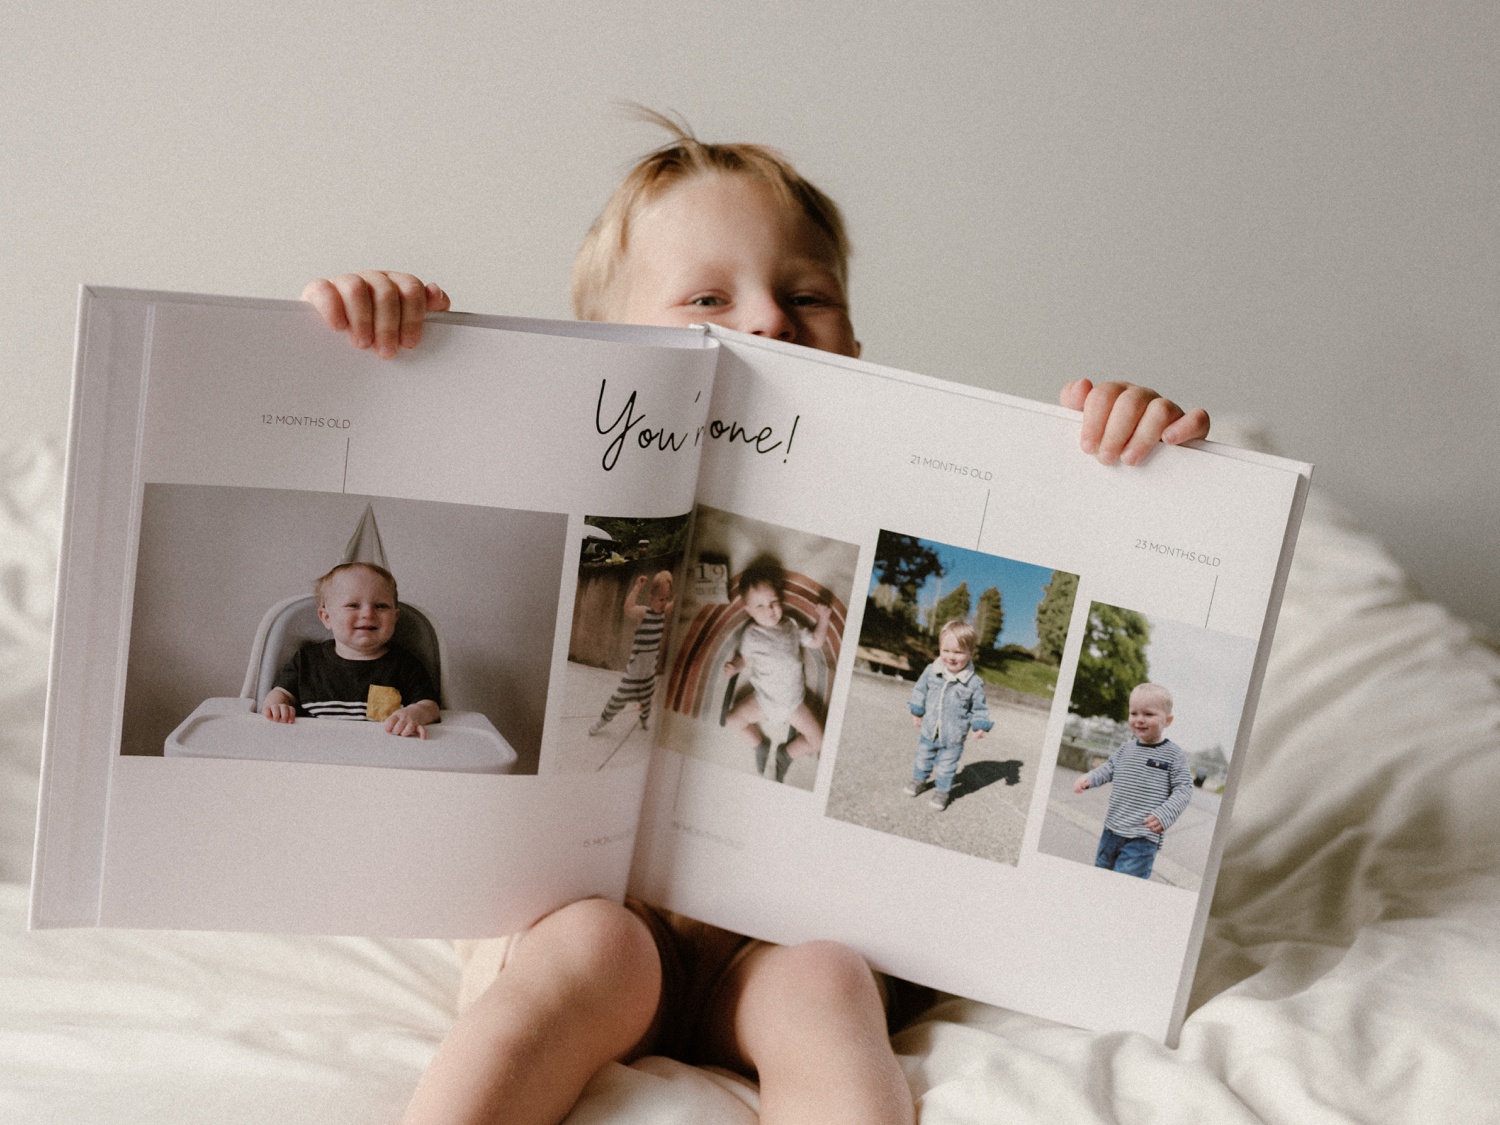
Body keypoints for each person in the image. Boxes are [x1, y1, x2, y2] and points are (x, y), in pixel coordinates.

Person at [305, 115, 1212, 1125]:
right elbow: (396, 437)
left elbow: (1087, 540)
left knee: (823, 980)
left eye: (807, 295)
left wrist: (1135, 464)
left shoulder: (911, 480)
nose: (771, 319)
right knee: (588, 949)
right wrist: (376, 338)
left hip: (789, 937)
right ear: (609, 350)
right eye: (709, 297)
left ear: (855, 347)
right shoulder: (545, 452)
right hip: (600, 910)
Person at [261, 561, 440, 739]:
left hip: (381, 751)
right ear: (327, 618)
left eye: (381, 606)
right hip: (314, 748)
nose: (368, 614)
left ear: (395, 617)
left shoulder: (404, 664)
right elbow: (280, 694)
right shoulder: (307, 660)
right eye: (353, 605)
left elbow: (430, 706)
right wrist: (276, 707)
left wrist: (414, 714)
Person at [722, 560, 831, 781]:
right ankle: (759, 744)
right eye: (760, 606)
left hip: (793, 703)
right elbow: (744, 658)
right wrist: (735, 666)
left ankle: (786, 754)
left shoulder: (791, 625)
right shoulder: (752, 634)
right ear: (749, 610)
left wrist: (824, 618)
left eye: (774, 602)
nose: (770, 610)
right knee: (732, 720)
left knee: (819, 741)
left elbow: (816, 641)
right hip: (763, 700)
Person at [1072, 682, 1193, 879]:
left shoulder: (1173, 754)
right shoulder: (1126, 748)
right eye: (1134, 713)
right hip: (1111, 829)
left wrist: (1165, 814)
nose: (1140, 719)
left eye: (1148, 714)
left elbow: (1184, 788)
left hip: (1142, 837)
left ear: (1168, 720)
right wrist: (1090, 777)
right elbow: (1109, 768)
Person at [904, 618, 992, 811]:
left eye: (958, 652)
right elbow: (920, 691)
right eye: (946, 651)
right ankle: (919, 780)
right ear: (940, 649)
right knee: (922, 758)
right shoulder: (932, 671)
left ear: (971, 653)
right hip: (929, 730)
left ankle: (942, 791)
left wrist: (979, 725)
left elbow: (979, 707)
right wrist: (917, 711)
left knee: (946, 766)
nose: (951, 657)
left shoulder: (973, 683)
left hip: (953, 737)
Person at [590, 570, 674, 734]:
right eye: (660, 599)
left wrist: (677, 597)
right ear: (650, 598)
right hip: (634, 672)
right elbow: (628, 609)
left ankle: (644, 719)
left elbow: (673, 605)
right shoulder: (644, 613)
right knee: (618, 698)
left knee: (647, 700)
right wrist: (637, 588)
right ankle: (601, 721)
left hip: (649, 672)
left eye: (666, 599)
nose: (664, 603)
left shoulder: (663, 613)